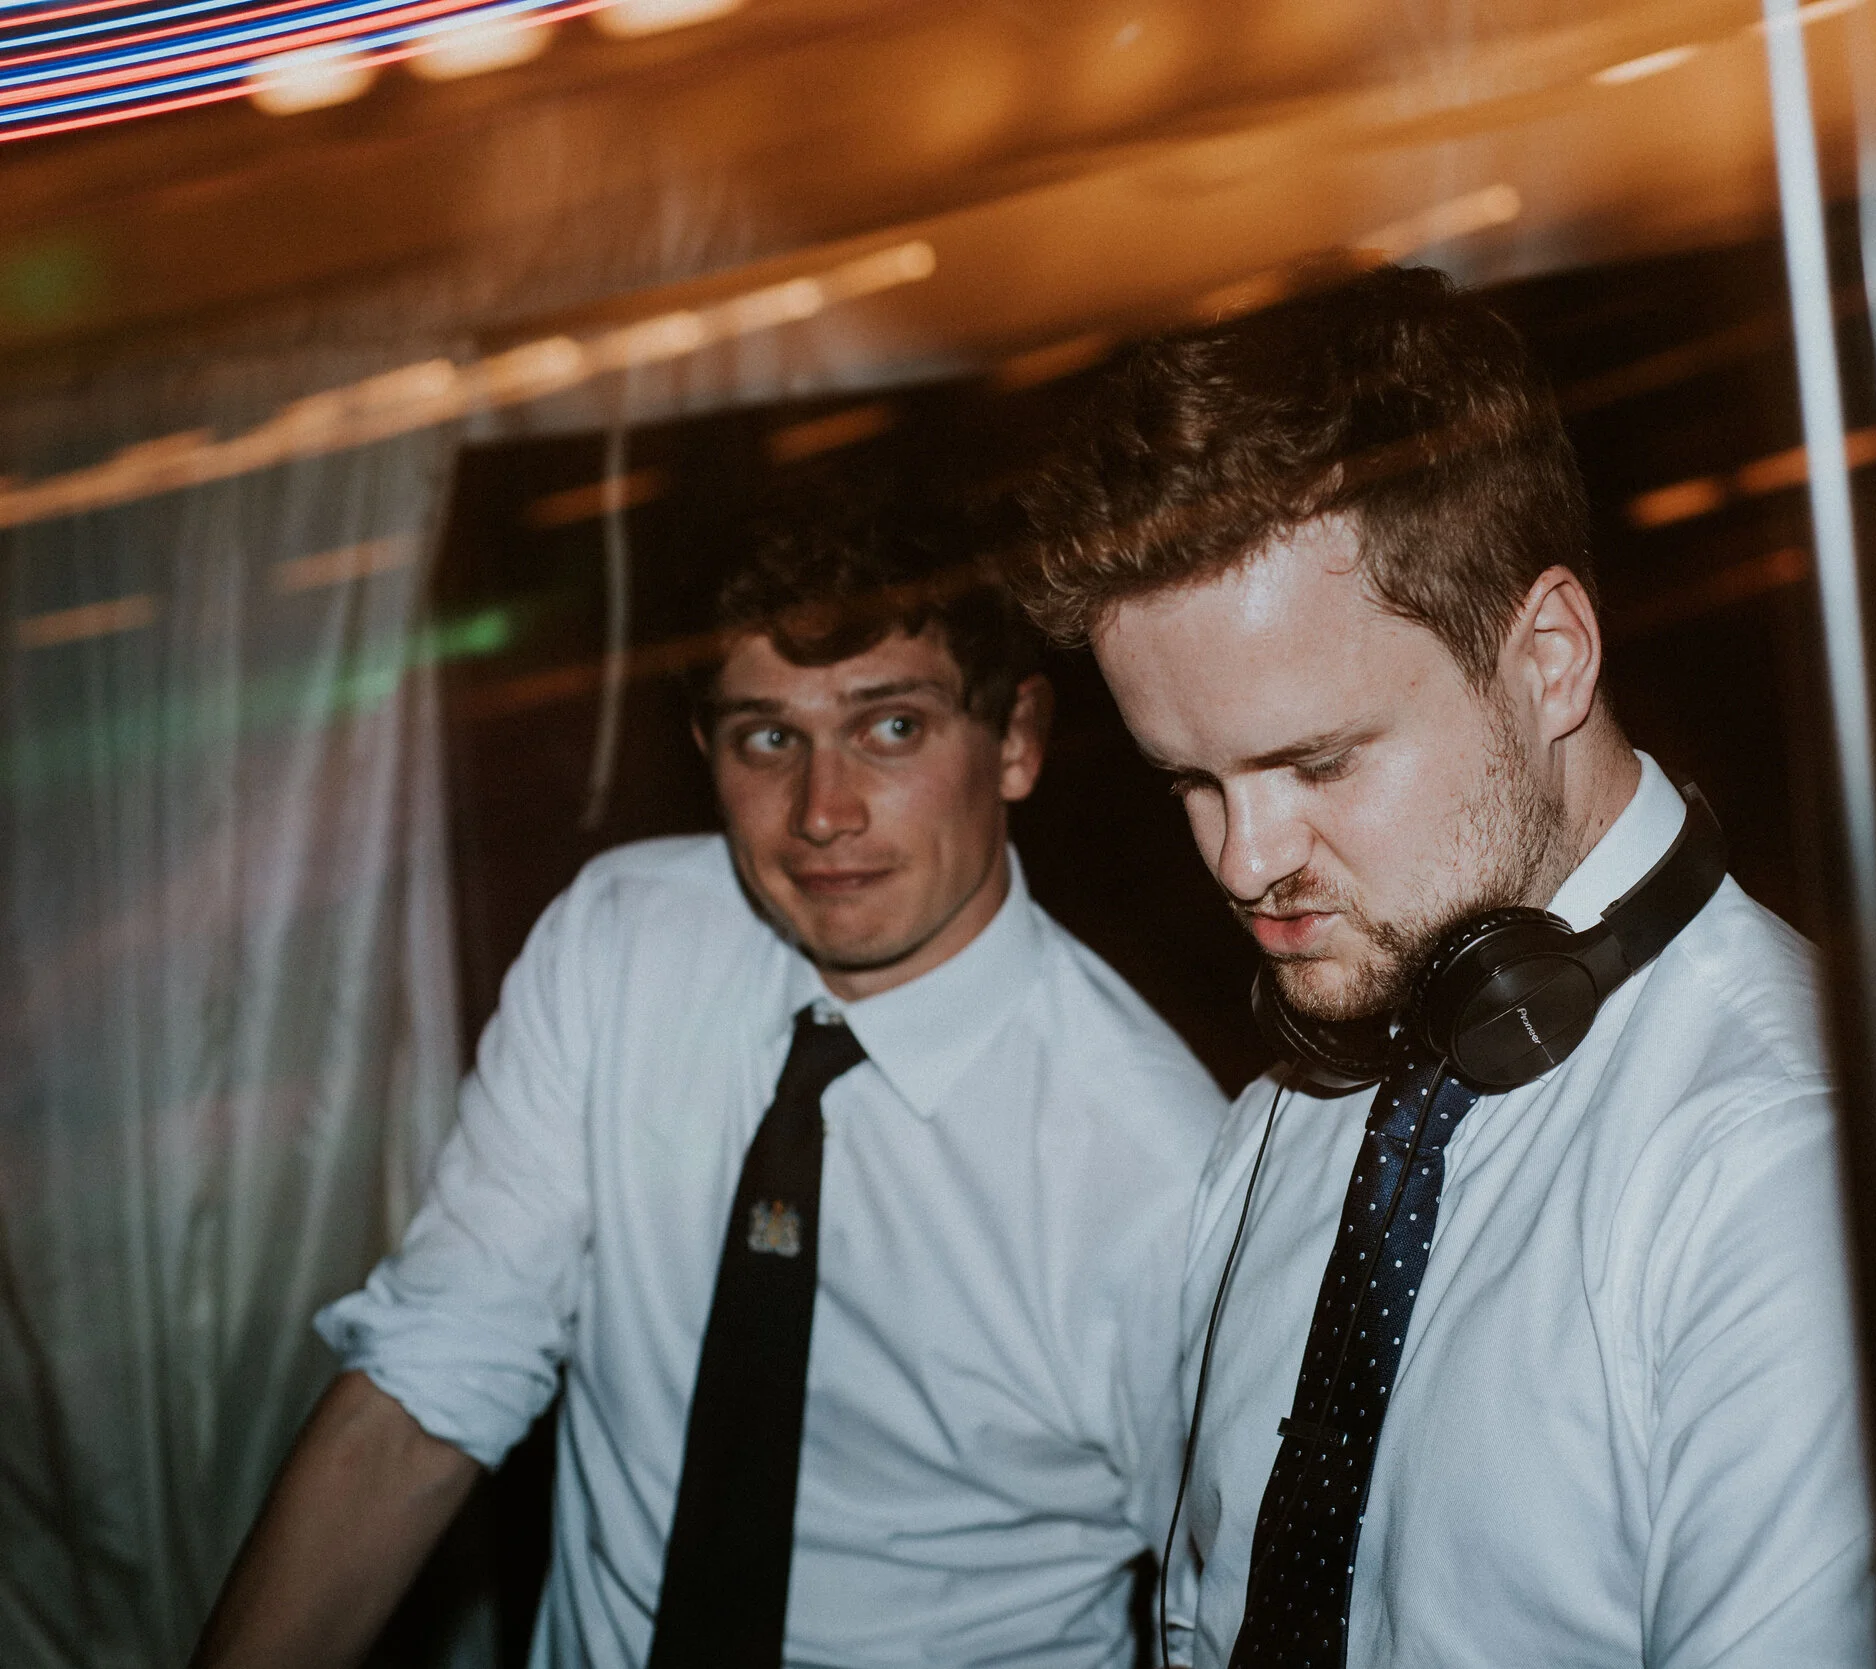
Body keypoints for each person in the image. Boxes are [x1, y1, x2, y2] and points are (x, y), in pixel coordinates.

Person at [1012, 265, 1876, 1668]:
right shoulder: (1284, 1123)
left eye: (1317, 760)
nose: (1244, 859)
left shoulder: (1806, 1180)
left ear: (1551, 657)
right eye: (1189, 780)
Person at [191, 463, 1228, 1669]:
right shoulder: (623, 942)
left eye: (891, 727)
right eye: (767, 738)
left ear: (1015, 742)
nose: (822, 809)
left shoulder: (1159, 1168)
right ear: (704, 747)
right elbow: (423, 1394)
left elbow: (1230, 1608)